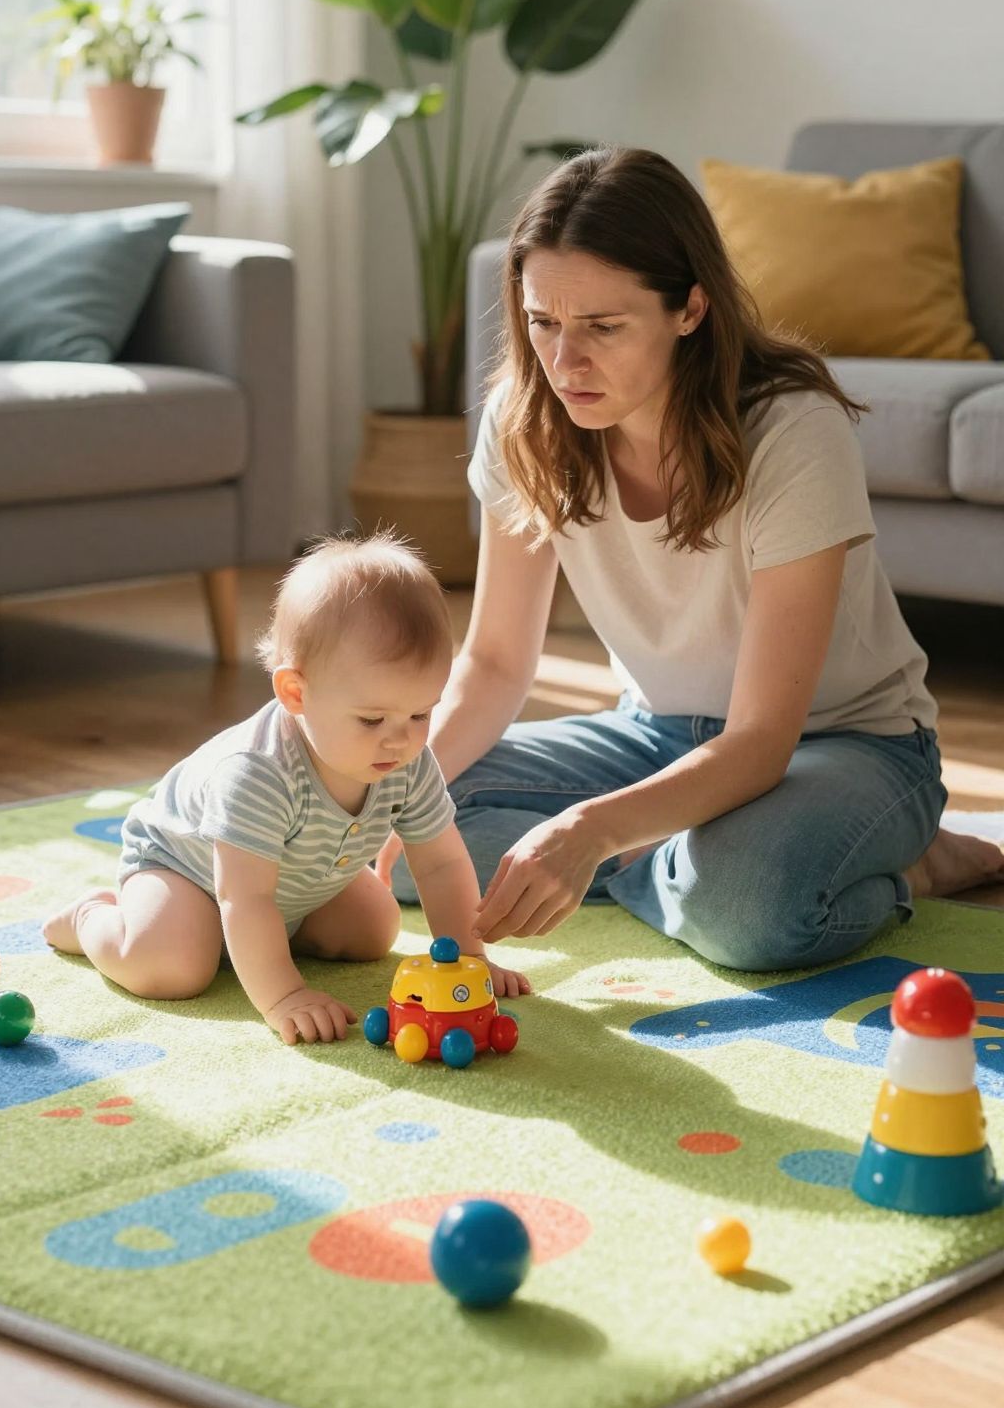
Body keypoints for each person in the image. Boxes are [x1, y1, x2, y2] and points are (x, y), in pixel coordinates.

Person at [379, 147, 1004, 971]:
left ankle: (907, 863)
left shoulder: (791, 431)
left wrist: (591, 830)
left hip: (846, 745)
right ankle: (677, 852)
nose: (564, 363)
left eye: (603, 327)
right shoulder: (522, 421)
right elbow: (494, 662)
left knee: (744, 905)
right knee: (403, 818)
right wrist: (394, 801)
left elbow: (761, 738)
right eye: (542, 323)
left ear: (690, 309)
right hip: (654, 736)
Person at [43, 534, 530, 1042]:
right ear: (296, 693)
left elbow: (441, 862)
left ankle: (258, 945)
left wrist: (470, 960)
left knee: (373, 929)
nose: (401, 737)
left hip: (290, 887)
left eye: (421, 712)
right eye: (371, 719)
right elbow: (243, 897)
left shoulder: (406, 759)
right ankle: (92, 918)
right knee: (172, 968)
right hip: (190, 875)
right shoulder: (257, 772)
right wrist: (284, 996)